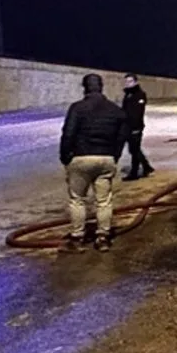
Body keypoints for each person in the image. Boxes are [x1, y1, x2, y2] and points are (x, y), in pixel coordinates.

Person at [59, 74, 128, 253]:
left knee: (77, 200)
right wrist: (115, 156)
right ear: (101, 87)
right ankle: (103, 238)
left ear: (85, 88)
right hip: (106, 158)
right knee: (104, 201)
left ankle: (77, 238)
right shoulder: (115, 111)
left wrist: (65, 157)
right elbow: (121, 137)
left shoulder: (77, 108)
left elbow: (68, 134)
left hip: (81, 158)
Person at [121, 74, 154, 181]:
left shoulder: (140, 95)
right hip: (128, 126)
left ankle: (135, 173)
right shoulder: (128, 94)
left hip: (135, 127)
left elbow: (137, 113)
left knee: (134, 150)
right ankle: (146, 167)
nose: (128, 83)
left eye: (130, 81)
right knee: (134, 149)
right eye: (126, 81)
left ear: (135, 82)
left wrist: (135, 127)